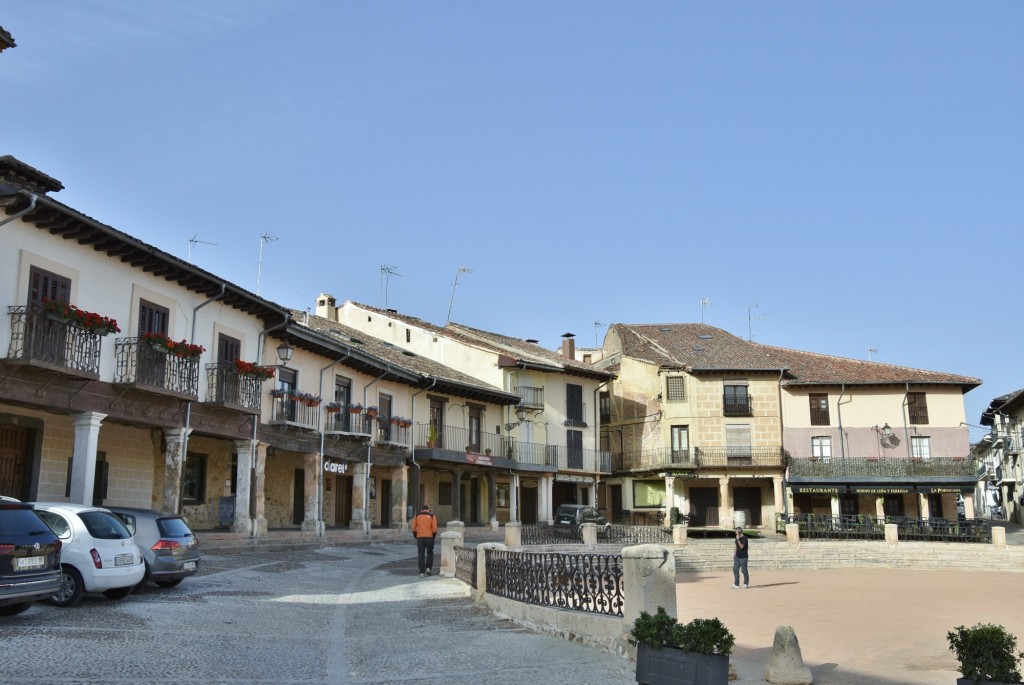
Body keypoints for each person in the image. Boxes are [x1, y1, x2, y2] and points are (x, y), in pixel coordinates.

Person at [411, 504, 437, 577]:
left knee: (421, 555)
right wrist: (433, 537)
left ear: (421, 510)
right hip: (429, 537)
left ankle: (421, 572)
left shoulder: (417, 516)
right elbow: (434, 528)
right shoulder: (432, 516)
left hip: (420, 537)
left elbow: (413, 527)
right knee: (430, 553)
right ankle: (428, 568)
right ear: (428, 509)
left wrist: (416, 535)